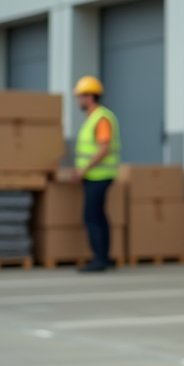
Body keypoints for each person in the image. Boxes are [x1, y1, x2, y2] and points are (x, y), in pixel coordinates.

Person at [72, 76, 121, 273]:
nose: (78, 100)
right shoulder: (94, 117)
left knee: (91, 216)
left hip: (98, 176)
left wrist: (83, 169)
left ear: (90, 96)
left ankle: (99, 259)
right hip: (95, 176)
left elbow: (103, 148)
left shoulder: (101, 118)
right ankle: (105, 257)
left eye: (81, 96)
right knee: (99, 216)